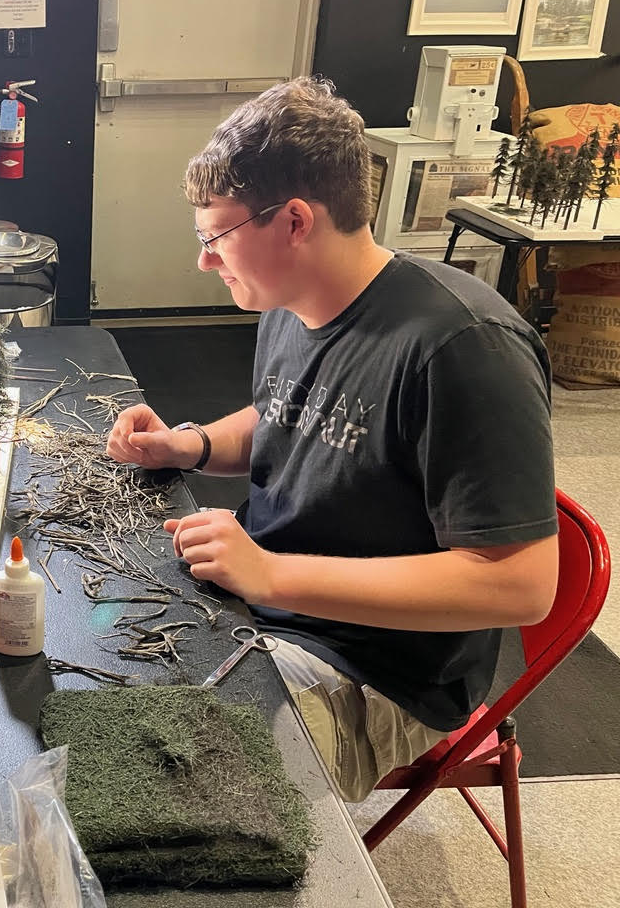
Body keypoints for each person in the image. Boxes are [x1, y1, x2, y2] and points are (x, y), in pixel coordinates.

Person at [105, 77, 558, 802]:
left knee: (183, 803)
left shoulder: (464, 347)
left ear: (293, 221)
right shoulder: (290, 300)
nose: (205, 262)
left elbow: (520, 585)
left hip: (376, 668)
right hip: (264, 600)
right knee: (90, 681)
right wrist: (191, 445)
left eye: (214, 239)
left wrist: (270, 575)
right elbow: (291, 416)